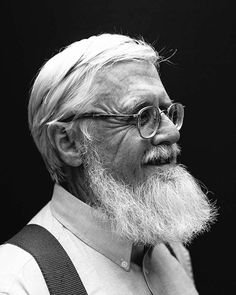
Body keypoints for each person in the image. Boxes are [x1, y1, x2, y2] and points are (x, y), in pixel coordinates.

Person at [0, 33, 216, 295]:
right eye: (142, 115)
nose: (171, 133)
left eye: (166, 112)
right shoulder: (16, 280)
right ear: (69, 143)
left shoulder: (171, 252)